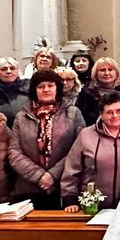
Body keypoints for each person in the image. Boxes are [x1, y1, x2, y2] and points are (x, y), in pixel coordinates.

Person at [8, 69, 85, 208]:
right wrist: (39, 175)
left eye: (50, 85)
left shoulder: (73, 113)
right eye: (40, 86)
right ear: (34, 90)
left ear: (58, 88)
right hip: (27, 187)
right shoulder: (21, 116)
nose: (46, 90)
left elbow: (79, 150)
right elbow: (14, 152)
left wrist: (53, 175)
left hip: (63, 187)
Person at [61, 90, 120, 211]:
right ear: (101, 114)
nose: (114, 115)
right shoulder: (86, 134)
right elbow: (72, 169)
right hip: (92, 205)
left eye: (119, 111)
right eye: (109, 112)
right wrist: (70, 199)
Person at [76, 57, 120, 127]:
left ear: (116, 73)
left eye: (110, 70)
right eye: (102, 70)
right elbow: (84, 118)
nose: (107, 73)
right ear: (96, 73)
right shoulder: (86, 93)